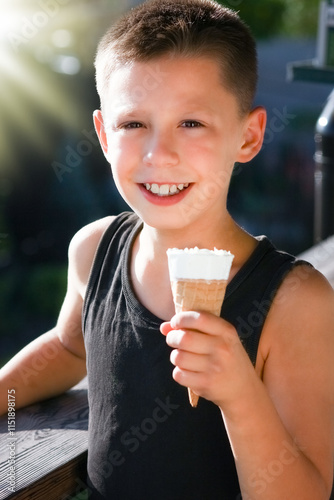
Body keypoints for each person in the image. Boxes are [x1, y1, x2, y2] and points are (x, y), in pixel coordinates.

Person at [1, 0, 333, 498]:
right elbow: (70, 348)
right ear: (103, 136)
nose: (160, 153)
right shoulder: (94, 250)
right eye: (134, 124)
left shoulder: (296, 303)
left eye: (192, 123)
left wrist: (241, 396)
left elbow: (306, 490)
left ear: (249, 135)